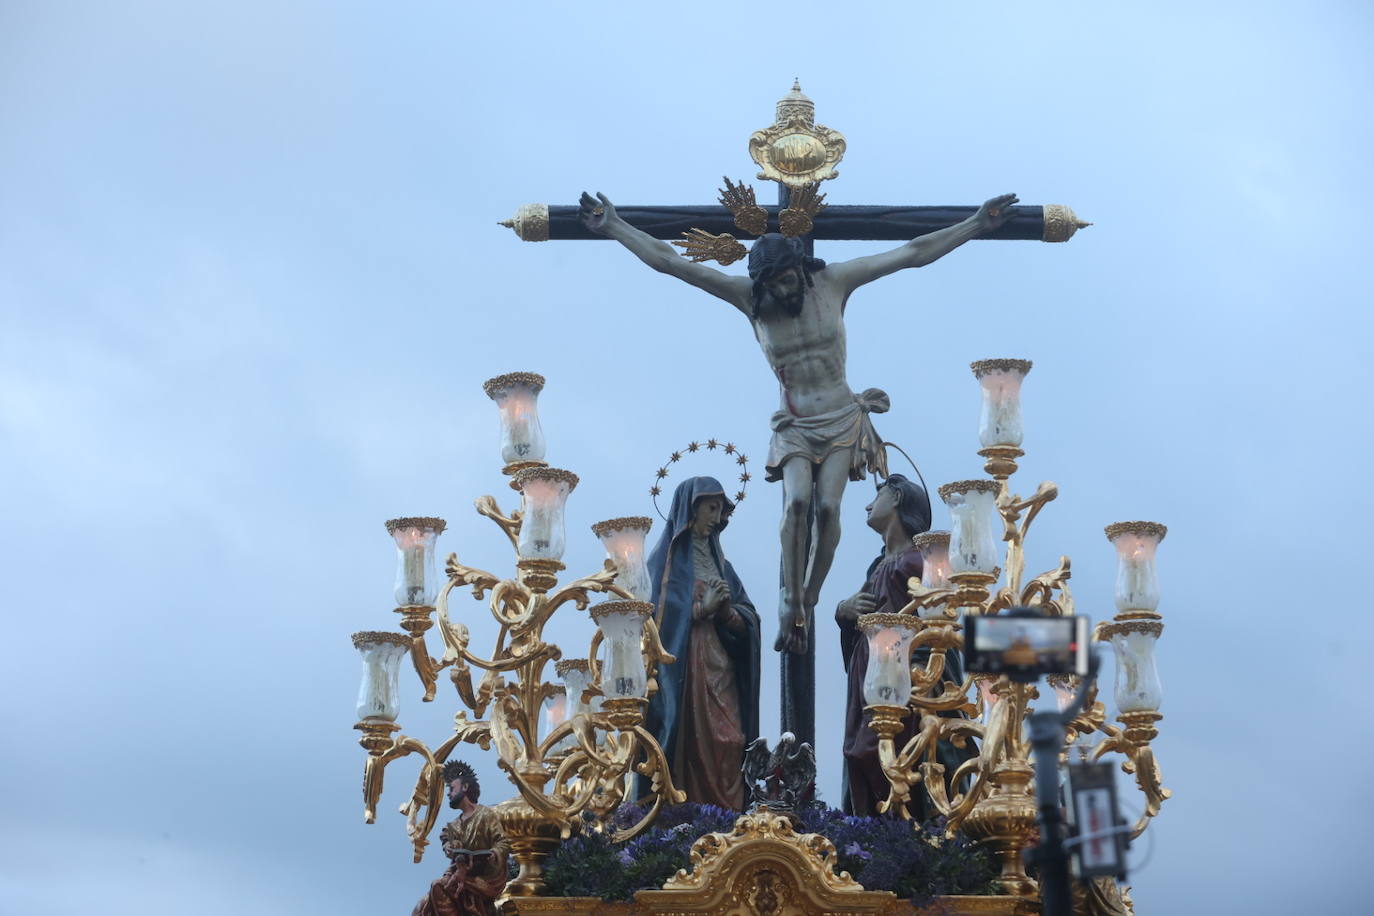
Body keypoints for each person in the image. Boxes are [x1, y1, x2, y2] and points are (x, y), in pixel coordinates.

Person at [579, 189, 1016, 745]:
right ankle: (790, 600)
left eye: (791, 278)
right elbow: (673, 263)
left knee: (830, 507)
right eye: (776, 283)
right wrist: (616, 225)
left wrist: (975, 223)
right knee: (798, 506)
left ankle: (807, 599)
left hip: (840, 418)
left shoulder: (833, 283)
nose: (786, 289)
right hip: (794, 425)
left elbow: (912, 251)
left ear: (801, 270)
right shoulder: (748, 299)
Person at [834, 474, 970, 817]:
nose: (868, 504)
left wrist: (919, 675)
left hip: (909, 680)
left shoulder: (918, 561)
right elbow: (862, 618)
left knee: (901, 753)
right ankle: (873, 836)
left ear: (896, 498)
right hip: (869, 676)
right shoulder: (877, 566)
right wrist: (843, 613)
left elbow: (940, 630)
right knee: (860, 752)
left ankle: (909, 834)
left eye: (876, 495)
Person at [641, 476, 761, 809]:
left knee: (730, 739)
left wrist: (725, 614)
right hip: (684, 669)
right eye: (711, 507)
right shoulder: (662, 566)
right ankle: (684, 818)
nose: (717, 516)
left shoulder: (724, 567)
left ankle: (728, 818)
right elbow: (650, 625)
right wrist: (699, 610)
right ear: (690, 509)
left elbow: (748, 616)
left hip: (720, 667)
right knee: (691, 739)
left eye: (721, 509)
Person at [412, 760, 508, 916]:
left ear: (465, 787)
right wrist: (449, 847)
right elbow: (447, 843)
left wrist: (493, 854)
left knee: (437, 886)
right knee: (422, 906)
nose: (449, 793)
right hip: (458, 873)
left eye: (452, 789)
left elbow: (502, 842)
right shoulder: (453, 825)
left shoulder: (486, 815)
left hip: (483, 876)